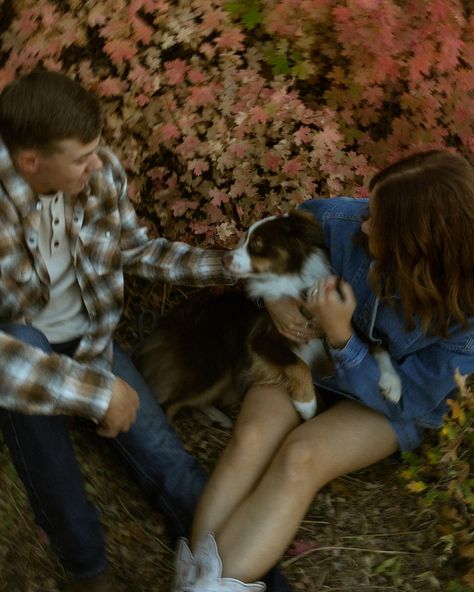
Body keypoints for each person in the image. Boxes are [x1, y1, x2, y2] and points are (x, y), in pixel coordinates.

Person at [0, 70, 293, 592]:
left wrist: (232, 266)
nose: (99, 164)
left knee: (173, 466)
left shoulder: (101, 175)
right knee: (54, 463)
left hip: (90, 341)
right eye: (82, 157)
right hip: (21, 358)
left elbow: (136, 251)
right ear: (30, 162)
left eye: (97, 150)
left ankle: (250, 577)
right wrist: (97, 394)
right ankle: (87, 568)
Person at [171, 149, 474, 591]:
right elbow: (268, 249)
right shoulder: (336, 222)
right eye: (370, 208)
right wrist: (273, 296)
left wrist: (343, 339)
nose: (364, 222)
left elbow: (407, 398)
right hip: (311, 363)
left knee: (301, 457)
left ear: (419, 245)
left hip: (391, 402)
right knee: (253, 436)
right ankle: (196, 581)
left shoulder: (467, 320)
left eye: (379, 219)